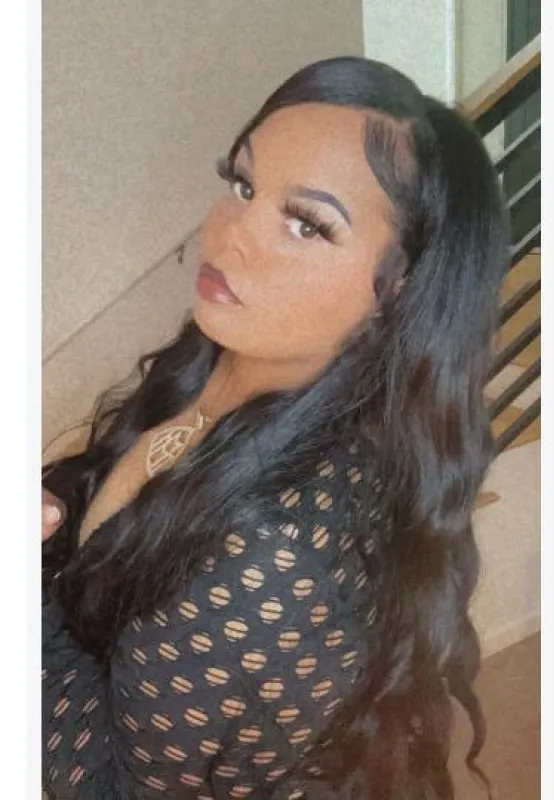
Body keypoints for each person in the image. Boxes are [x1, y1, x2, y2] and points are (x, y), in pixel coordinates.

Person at [42, 56, 508, 799]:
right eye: (242, 184)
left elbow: (109, 787)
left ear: (399, 291)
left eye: (305, 224)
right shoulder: (228, 352)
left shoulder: (276, 555)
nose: (228, 235)